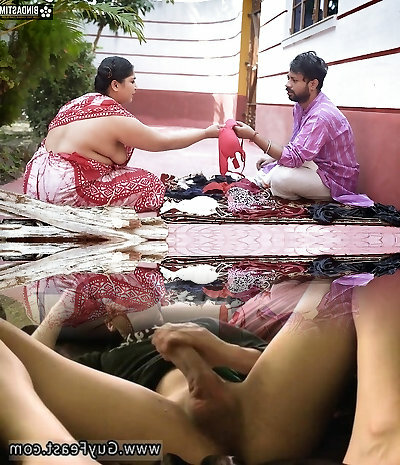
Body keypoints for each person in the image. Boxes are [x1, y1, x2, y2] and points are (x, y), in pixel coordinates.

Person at [0, 278, 357, 464]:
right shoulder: (103, 360)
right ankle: (192, 397)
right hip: (172, 416)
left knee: (352, 273)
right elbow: (31, 361)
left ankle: (199, 393)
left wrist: (222, 351)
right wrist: (63, 309)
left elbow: (267, 360)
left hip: (243, 393)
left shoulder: (203, 324)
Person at [23, 56, 220, 212]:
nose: (136, 87)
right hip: (64, 191)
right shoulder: (113, 115)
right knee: (150, 183)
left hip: (33, 184)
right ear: (116, 85)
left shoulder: (77, 103)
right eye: (132, 81)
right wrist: (205, 133)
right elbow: (161, 142)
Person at [233, 51, 373, 207]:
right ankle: (270, 181)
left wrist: (253, 136)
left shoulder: (321, 115)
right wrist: (274, 159)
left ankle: (280, 188)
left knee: (280, 179)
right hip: (315, 166)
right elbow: (298, 147)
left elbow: (294, 157)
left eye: (294, 80)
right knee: (270, 168)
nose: (288, 84)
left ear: (313, 84)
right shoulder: (300, 107)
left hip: (334, 181)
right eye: (288, 78)